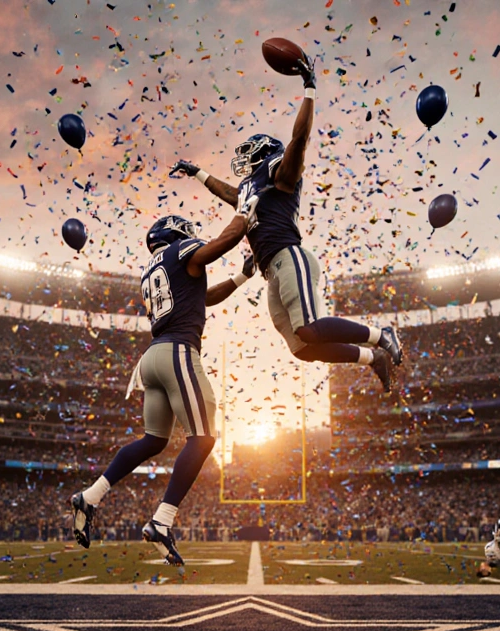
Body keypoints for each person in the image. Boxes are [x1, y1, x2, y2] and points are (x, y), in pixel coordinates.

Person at [168, 52, 402, 393]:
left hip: (289, 256)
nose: (243, 159)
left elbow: (299, 142)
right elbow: (231, 194)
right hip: (270, 270)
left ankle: (382, 336)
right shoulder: (252, 186)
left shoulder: (279, 170)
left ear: (264, 152)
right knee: (304, 348)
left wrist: (309, 89)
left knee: (310, 326)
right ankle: (372, 358)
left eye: (249, 152)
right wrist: (198, 174)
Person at [68, 211, 251, 566]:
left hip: (150, 359)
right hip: (178, 352)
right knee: (203, 438)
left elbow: (203, 297)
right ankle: (162, 521)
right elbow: (220, 244)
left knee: (153, 440)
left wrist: (243, 277)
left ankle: (91, 496)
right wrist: (245, 213)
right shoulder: (182, 249)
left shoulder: (153, 269)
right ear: (179, 233)